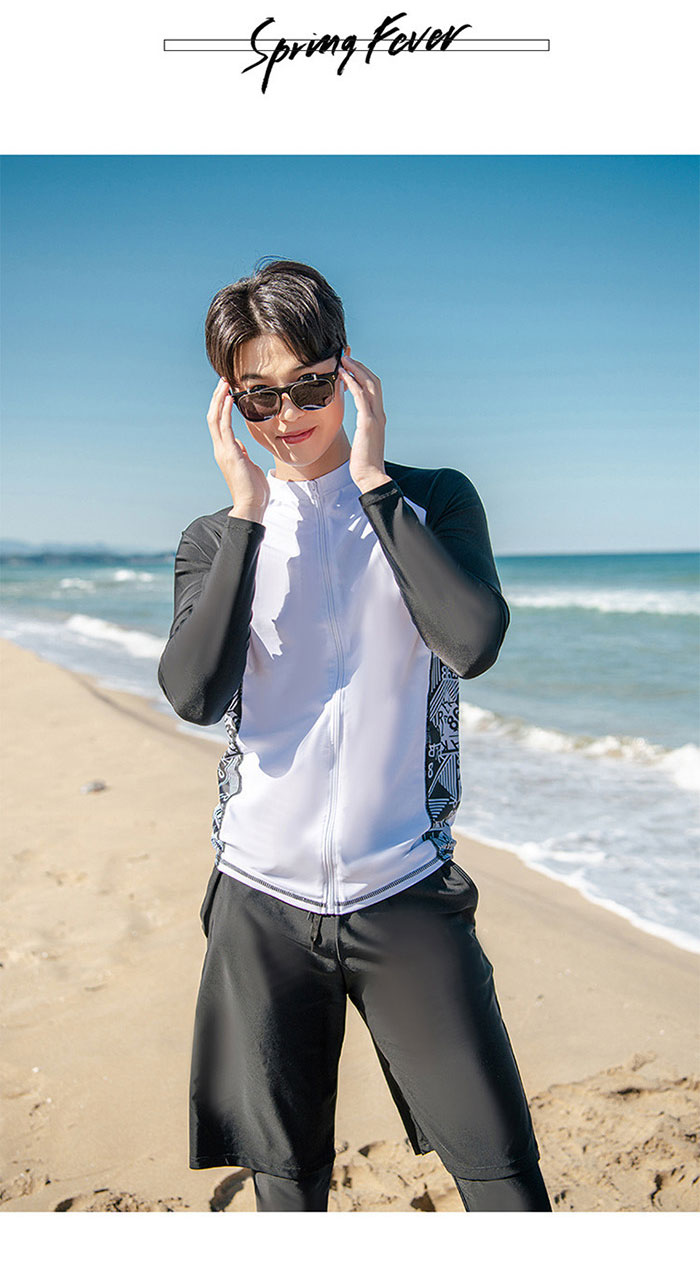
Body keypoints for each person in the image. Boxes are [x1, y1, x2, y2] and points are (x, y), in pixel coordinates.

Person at [158, 257, 552, 1213]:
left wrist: (373, 487)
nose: (287, 415)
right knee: (289, 1188)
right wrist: (249, 514)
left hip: (405, 890)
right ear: (229, 402)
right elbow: (194, 694)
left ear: (347, 370)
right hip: (259, 904)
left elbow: (473, 642)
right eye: (259, 396)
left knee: (503, 1177)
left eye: (308, 385)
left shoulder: (433, 501)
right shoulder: (215, 538)